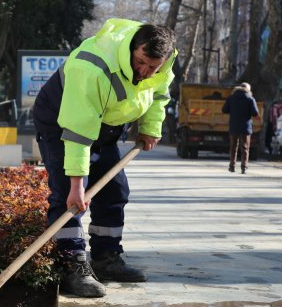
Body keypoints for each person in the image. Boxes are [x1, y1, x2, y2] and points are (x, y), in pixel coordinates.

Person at [33, 18, 177, 297]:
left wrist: (150, 128)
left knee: (114, 190)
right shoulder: (92, 67)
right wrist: (77, 186)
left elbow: (158, 95)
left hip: (106, 125)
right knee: (68, 196)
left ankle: (106, 258)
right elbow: (78, 131)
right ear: (134, 48)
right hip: (62, 122)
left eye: (152, 67)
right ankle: (72, 266)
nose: (144, 72)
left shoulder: (164, 62)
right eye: (140, 63)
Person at [222, 82, 259, 174]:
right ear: (248, 89)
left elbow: (224, 110)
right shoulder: (250, 99)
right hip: (246, 126)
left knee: (233, 147)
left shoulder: (231, 98)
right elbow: (255, 113)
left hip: (234, 125)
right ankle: (244, 167)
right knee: (245, 147)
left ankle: (232, 166)